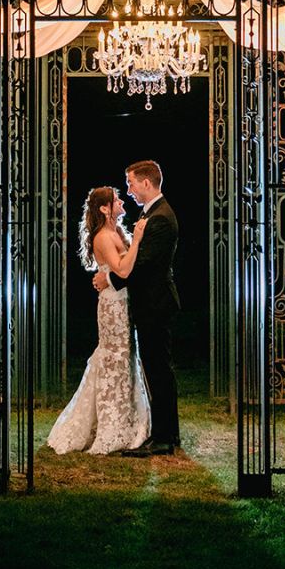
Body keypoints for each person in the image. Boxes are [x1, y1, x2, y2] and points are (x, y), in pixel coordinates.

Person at [47, 186, 151, 455]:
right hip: (113, 306)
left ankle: (128, 420)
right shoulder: (103, 236)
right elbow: (123, 269)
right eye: (116, 200)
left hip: (122, 301)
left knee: (125, 355)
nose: (121, 202)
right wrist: (137, 240)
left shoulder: (116, 231)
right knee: (113, 356)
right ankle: (110, 425)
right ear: (104, 208)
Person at [94, 160, 180, 456]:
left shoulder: (160, 217)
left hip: (156, 303)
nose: (128, 190)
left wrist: (109, 279)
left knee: (158, 370)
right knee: (156, 368)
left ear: (146, 183)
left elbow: (142, 266)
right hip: (150, 303)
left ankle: (164, 438)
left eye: (131, 183)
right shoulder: (153, 213)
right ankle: (168, 433)